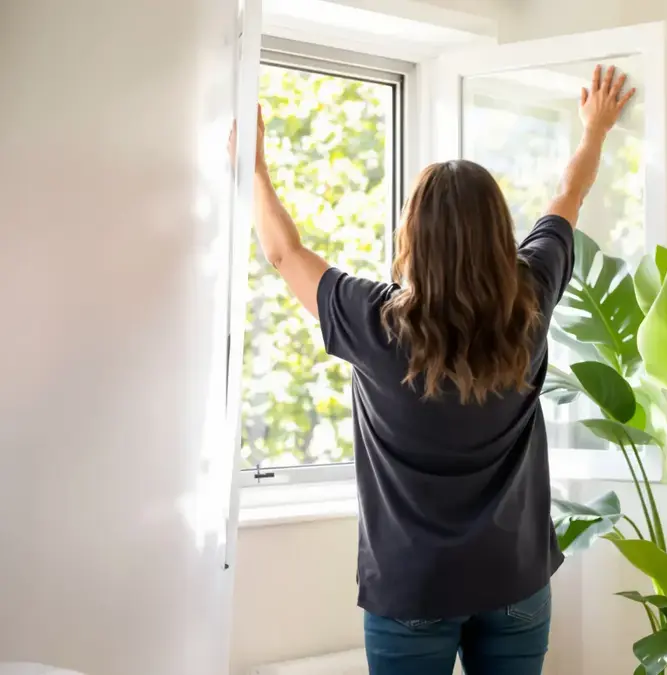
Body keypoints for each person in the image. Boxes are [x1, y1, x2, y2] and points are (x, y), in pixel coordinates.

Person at [234, 65, 636, 674]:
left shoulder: (374, 322)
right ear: (497, 232)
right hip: (514, 579)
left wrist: (256, 171)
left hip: (413, 589)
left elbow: (283, 252)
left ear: (411, 234)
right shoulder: (529, 299)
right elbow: (568, 198)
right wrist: (595, 130)